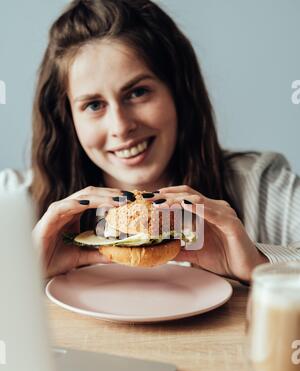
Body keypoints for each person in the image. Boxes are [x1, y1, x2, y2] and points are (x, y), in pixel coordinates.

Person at [1, 0, 300, 283]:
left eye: (138, 92)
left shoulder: (261, 187)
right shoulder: (13, 198)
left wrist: (260, 266)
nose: (121, 126)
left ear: (178, 93)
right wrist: (19, 275)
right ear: (67, 118)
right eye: (93, 105)